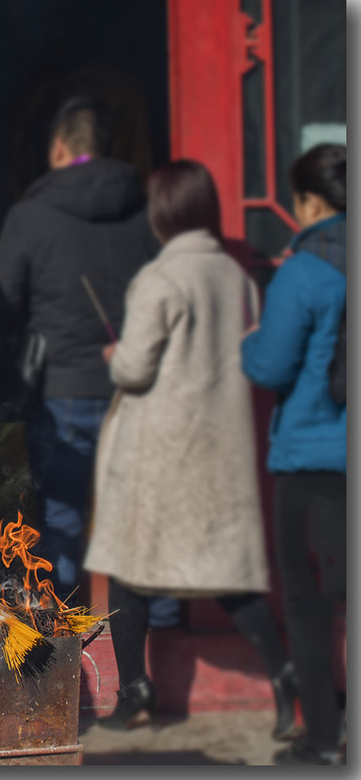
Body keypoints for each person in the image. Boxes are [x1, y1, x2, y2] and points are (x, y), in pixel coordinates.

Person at [85, 159, 295, 739]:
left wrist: (113, 358)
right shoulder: (238, 279)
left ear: (162, 215)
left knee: (129, 572)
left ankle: (134, 693)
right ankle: (285, 676)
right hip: (215, 448)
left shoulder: (158, 280)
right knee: (224, 576)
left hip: (157, 449)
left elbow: (135, 366)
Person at [0, 95, 159, 603]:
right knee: (136, 512)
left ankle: (67, 617)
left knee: (62, 513)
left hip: (61, 388)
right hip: (132, 386)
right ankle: (161, 624)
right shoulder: (143, 212)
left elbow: (2, 300)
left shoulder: (31, 214)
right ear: (103, 148)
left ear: (58, 147)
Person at [242, 143, 346, 765]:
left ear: (308, 201)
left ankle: (324, 740)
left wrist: (248, 344)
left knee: (308, 605)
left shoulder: (304, 272)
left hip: (312, 462)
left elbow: (271, 362)